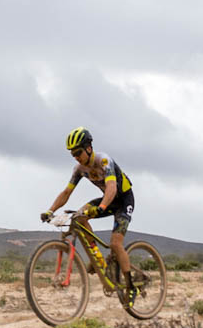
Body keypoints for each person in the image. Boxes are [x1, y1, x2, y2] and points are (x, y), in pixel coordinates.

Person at [43, 127, 141, 301]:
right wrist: (50, 210)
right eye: (73, 154)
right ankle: (97, 256)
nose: (76, 157)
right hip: (107, 200)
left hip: (123, 199)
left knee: (116, 244)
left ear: (89, 148)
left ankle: (131, 287)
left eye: (78, 152)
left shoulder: (104, 161)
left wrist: (102, 207)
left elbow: (112, 187)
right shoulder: (79, 169)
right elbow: (66, 192)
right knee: (79, 216)